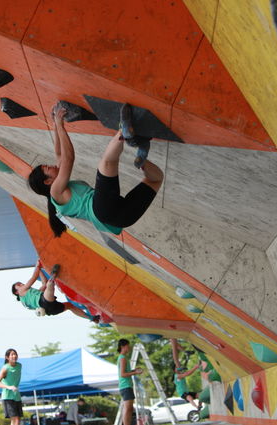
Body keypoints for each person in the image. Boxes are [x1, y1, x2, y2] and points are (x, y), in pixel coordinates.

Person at [28, 103, 163, 238]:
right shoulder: (55, 192)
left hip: (121, 219)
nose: (52, 166)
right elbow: (68, 159)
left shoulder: (59, 191)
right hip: (101, 209)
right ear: (47, 181)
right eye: (48, 168)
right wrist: (61, 125)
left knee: (156, 179)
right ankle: (123, 131)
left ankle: (142, 158)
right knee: (107, 162)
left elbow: (59, 154)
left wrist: (56, 124)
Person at [11, 260, 95, 321]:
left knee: (70, 305)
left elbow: (44, 284)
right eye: (19, 285)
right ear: (16, 292)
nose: (22, 284)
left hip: (48, 310)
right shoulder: (21, 291)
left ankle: (91, 318)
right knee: (49, 287)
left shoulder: (28, 299)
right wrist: (38, 265)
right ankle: (53, 277)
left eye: (21, 283)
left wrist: (39, 271)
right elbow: (33, 278)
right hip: (43, 302)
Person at [117, 339, 143, 425]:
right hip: (125, 385)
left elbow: (125, 371)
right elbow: (123, 374)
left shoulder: (122, 358)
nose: (129, 348)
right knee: (128, 408)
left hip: (125, 386)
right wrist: (135, 372)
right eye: (128, 346)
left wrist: (133, 370)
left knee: (129, 408)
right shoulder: (123, 358)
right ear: (123, 347)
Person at [0, 349, 23, 425]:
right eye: (12, 354)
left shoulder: (19, 366)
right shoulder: (5, 368)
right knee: (15, 419)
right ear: (7, 357)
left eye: (15, 354)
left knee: (17, 420)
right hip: (8, 396)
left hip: (17, 396)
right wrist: (8, 387)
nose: (14, 356)